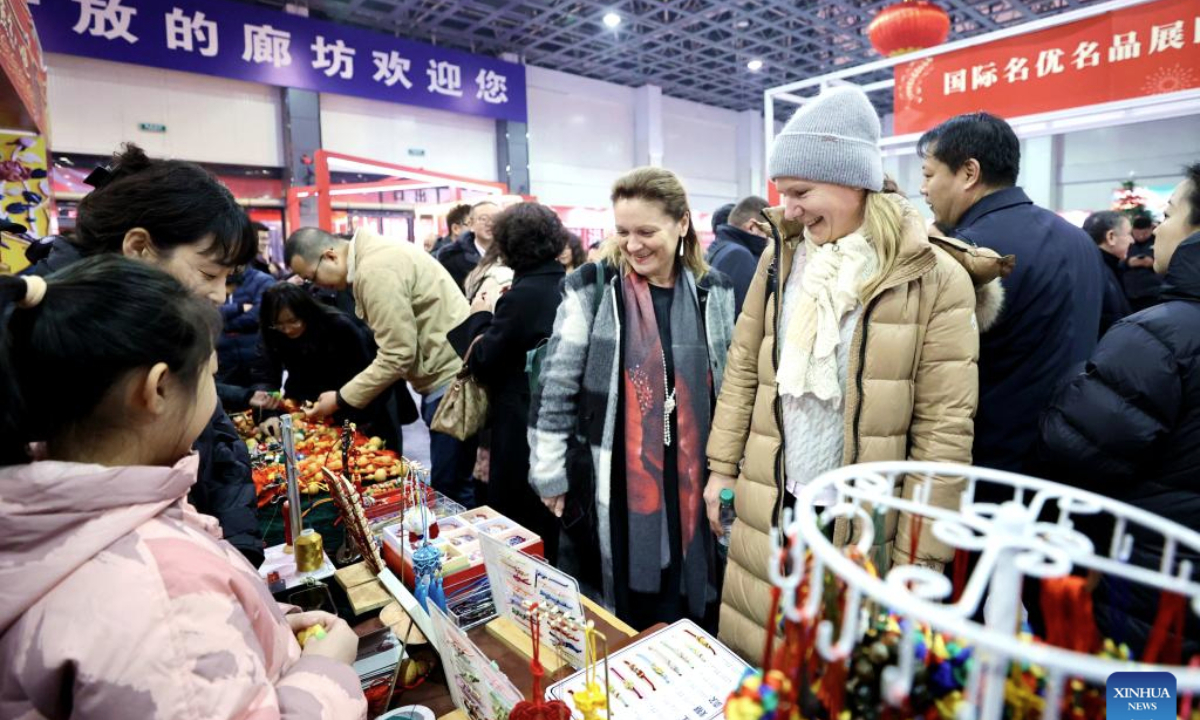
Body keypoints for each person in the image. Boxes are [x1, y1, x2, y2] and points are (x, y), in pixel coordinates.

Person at [0, 259, 366, 719]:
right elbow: (175, 652)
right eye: (208, 374)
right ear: (157, 388)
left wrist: (259, 631)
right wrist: (323, 675)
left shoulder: (38, 513)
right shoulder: (161, 595)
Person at [708, 86, 996, 661]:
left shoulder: (933, 275)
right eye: (782, 193)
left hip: (867, 521)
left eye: (800, 192)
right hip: (772, 497)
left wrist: (921, 555)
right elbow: (745, 368)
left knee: (841, 671)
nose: (787, 209)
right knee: (763, 659)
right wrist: (721, 470)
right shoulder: (782, 256)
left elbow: (944, 432)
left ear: (853, 178)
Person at [24, 144, 265, 566]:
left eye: (228, 279)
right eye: (209, 273)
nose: (218, 295)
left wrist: (237, 559)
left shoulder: (159, 319)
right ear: (139, 247)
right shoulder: (46, 329)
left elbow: (217, 441)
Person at [529, 167, 736, 630]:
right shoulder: (595, 286)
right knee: (622, 598)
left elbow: (732, 385)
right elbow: (556, 385)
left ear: (682, 224)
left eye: (647, 231)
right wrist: (549, 472)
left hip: (694, 472)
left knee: (691, 591)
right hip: (615, 477)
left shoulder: (713, 291)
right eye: (623, 231)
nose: (633, 244)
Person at [1037, 162, 1200, 658]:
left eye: (1170, 213)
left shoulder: (1160, 336)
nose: (1159, 229)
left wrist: (1068, 387)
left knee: (1140, 699)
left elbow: (1074, 447)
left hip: (1152, 582)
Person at [919, 112, 1104, 477]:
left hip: (992, 464)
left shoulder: (969, 254)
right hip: (1071, 456)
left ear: (969, 173)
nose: (923, 189)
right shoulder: (1079, 240)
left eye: (928, 174)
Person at [285, 226, 475, 506]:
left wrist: (339, 399)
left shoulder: (374, 270)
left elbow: (398, 354)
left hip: (450, 380)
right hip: (448, 372)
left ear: (330, 256)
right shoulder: (375, 254)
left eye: (312, 277)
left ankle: (466, 546)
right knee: (456, 481)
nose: (316, 286)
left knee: (451, 489)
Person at [450, 203, 568, 562]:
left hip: (519, 418)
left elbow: (485, 360)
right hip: (556, 415)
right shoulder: (566, 283)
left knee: (518, 516)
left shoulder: (522, 294)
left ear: (508, 245)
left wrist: (481, 315)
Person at [254, 283, 403, 450]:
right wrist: (267, 414)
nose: (287, 329)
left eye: (293, 321)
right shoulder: (271, 331)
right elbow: (265, 376)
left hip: (355, 404)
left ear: (305, 313)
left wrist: (340, 401)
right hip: (307, 407)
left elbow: (367, 376)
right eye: (279, 324)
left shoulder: (338, 325)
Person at [216, 264, 277, 411]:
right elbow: (206, 312)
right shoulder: (215, 278)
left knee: (260, 401)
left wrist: (223, 322)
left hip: (254, 356)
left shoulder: (263, 280)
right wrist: (239, 308)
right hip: (223, 359)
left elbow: (258, 315)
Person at [706, 195, 770, 315]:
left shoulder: (718, 248)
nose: (768, 239)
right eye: (768, 232)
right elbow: (744, 315)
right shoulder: (739, 257)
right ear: (752, 227)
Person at [1083, 211, 1134, 337]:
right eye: (1128, 234)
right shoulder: (1100, 273)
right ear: (1111, 237)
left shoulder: (1091, 265)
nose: (1132, 240)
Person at [439, 201, 500, 293]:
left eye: (495, 218)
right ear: (471, 223)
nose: (490, 223)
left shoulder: (512, 253)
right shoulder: (451, 257)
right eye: (483, 219)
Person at [1124, 215, 1162, 311]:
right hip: (1128, 294)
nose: (1141, 236)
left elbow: (1168, 263)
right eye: (1137, 233)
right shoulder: (1126, 241)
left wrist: (1153, 263)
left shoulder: (1159, 241)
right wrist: (1128, 263)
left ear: (1151, 229)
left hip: (1153, 294)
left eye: (1145, 233)